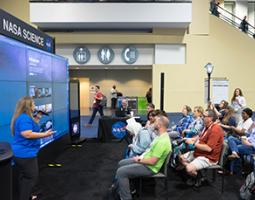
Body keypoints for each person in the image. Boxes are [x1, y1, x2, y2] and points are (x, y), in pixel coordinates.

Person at [112, 115, 171, 200]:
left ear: (159, 125)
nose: (153, 124)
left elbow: (152, 162)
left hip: (150, 168)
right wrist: (140, 158)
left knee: (121, 172)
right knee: (121, 163)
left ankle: (126, 197)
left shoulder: (162, 141)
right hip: (146, 161)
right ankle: (129, 188)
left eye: (155, 122)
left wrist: (139, 160)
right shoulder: (161, 136)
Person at [11, 97, 54, 200]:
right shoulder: (24, 118)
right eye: (33, 103)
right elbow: (27, 134)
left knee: (24, 177)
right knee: (31, 178)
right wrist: (44, 134)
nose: (35, 105)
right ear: (28, 106)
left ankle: (28, 195)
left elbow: (30, 127)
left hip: (22, 153)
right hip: (25, 154)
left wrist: (38, 116)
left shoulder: (24, 117)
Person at [179, 110, 224, 181]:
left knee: (188, 169)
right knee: (180, 158)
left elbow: (209, 148)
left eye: (204, 116)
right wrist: (190, 139)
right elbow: (200, 137)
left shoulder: (215, 129)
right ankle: (197, 172)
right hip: (200, 153)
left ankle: (198, 177)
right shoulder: (207, 127)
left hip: (209, 157)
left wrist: (193, 143)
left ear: (210, 118)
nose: (202, 117)